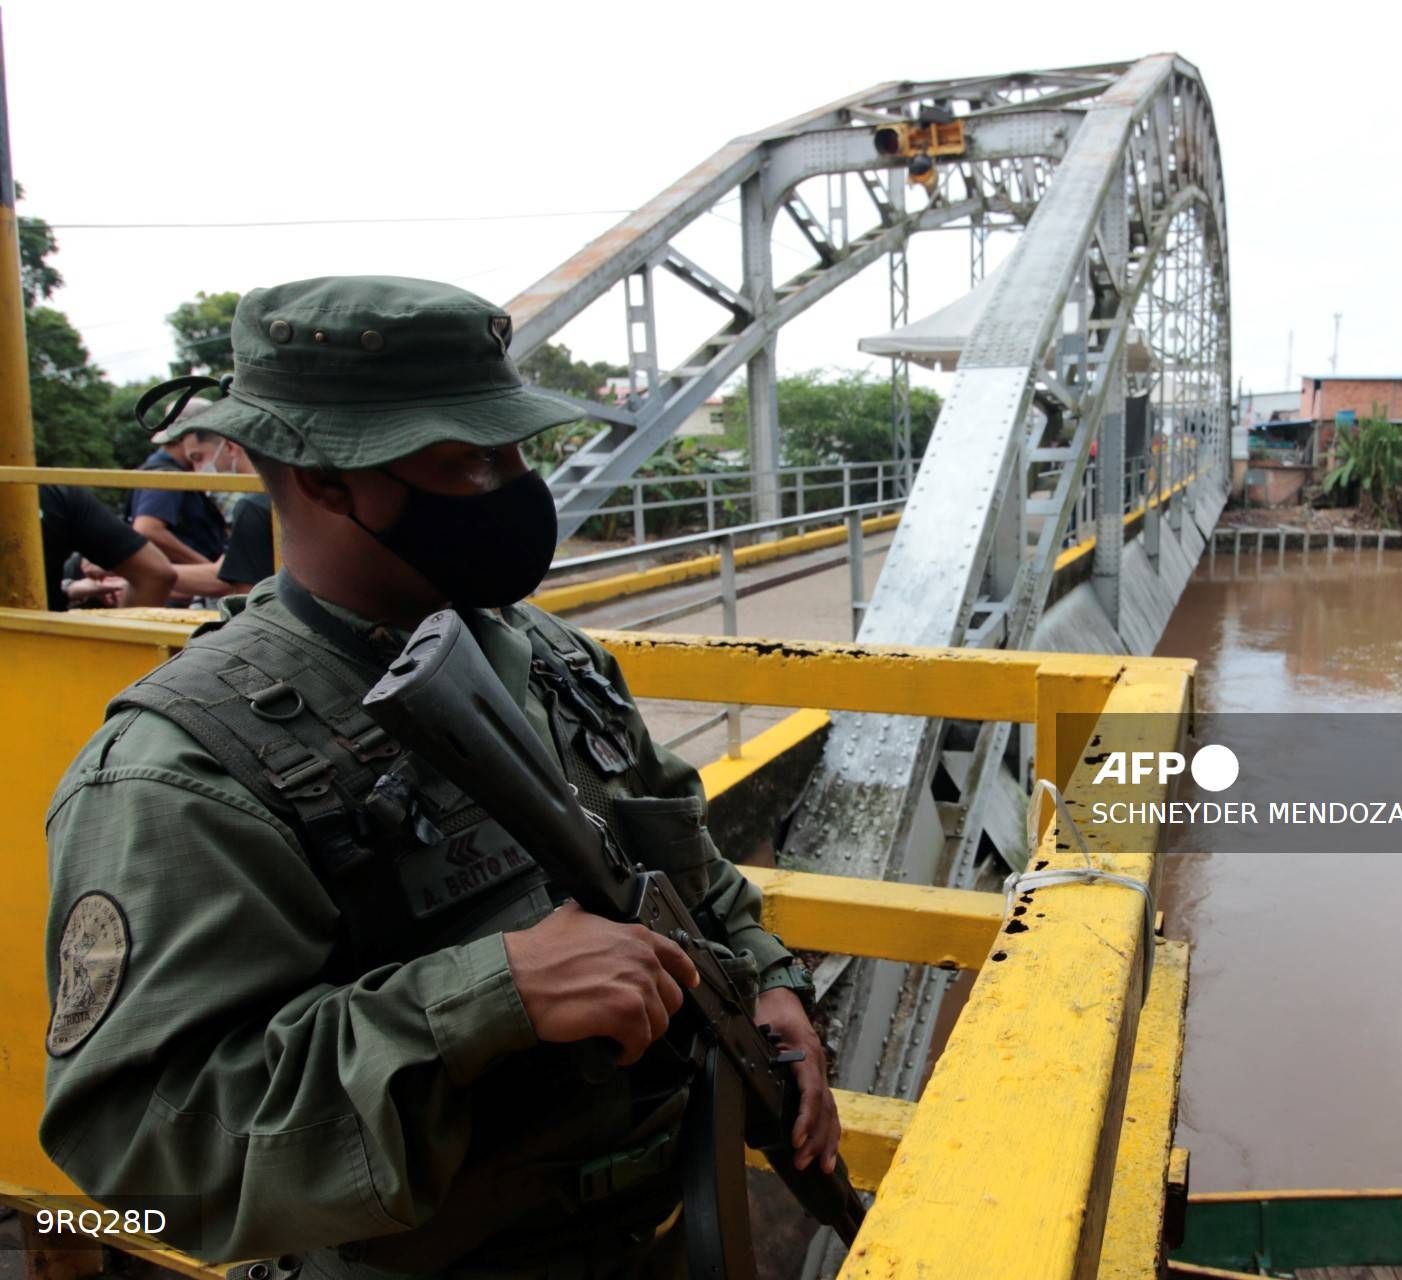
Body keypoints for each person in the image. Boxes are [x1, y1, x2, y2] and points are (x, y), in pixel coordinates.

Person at [40, 276, 837, 1278]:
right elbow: (146, 1151)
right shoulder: (184, 769)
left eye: (517, 452)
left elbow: (684, 857)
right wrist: (489, 995)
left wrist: (766, 980)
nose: (518, 489)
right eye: (470, 460)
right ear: (325, 478)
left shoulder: (549, 656)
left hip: (650, 1231)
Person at [164, 430, 276, 598]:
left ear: (231, 447)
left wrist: (142, 569)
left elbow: (229, 584)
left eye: (198, 458)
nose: (197, 471)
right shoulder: (292, 489)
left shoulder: (253, 506)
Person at [127, 419, 228, 592]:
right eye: (196, 457)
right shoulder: (167, 475)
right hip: (181, 590)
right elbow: (147, 530)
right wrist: (210, 571)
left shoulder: (172, 472)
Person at [37, 484, 175, 610]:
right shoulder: (55, 492)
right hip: (45, 626)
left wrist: (70, 588)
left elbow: (155, 573)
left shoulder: (54, 493)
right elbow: (156, 573)